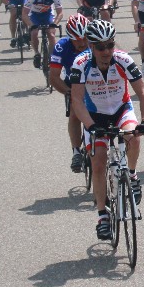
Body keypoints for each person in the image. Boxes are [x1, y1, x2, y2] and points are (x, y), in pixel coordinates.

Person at [68, 19, 144, 241]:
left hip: (120, 110)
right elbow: (76, 101)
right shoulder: (81, 64)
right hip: (94, 116)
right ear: (91, 46)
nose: (106, 51)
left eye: (110, 45)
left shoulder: (123, 60)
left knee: (133, 136)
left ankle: (132, 175)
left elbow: (143, 93)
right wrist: (90, 126)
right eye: (100, 47)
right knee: (98, 162)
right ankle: (102, 216)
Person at [49, 13, 93, 173]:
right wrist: (68, 92)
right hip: (73, 83)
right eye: (77, 40)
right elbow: (53, 77)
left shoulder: (95, 42)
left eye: (84, 38)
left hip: (94, 82)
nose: (82, 43)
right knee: (75, 113)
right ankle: (76, 152)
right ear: (69, 38)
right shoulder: (62, 46)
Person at [26, 0, 63, 68]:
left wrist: (54, 24)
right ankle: (36, 53)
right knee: (34, 33)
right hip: (34, 15)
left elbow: (60, 13)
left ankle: (51, 56)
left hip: (47, 14)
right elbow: (24, 14)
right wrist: (31, 25)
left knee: (51, 34)